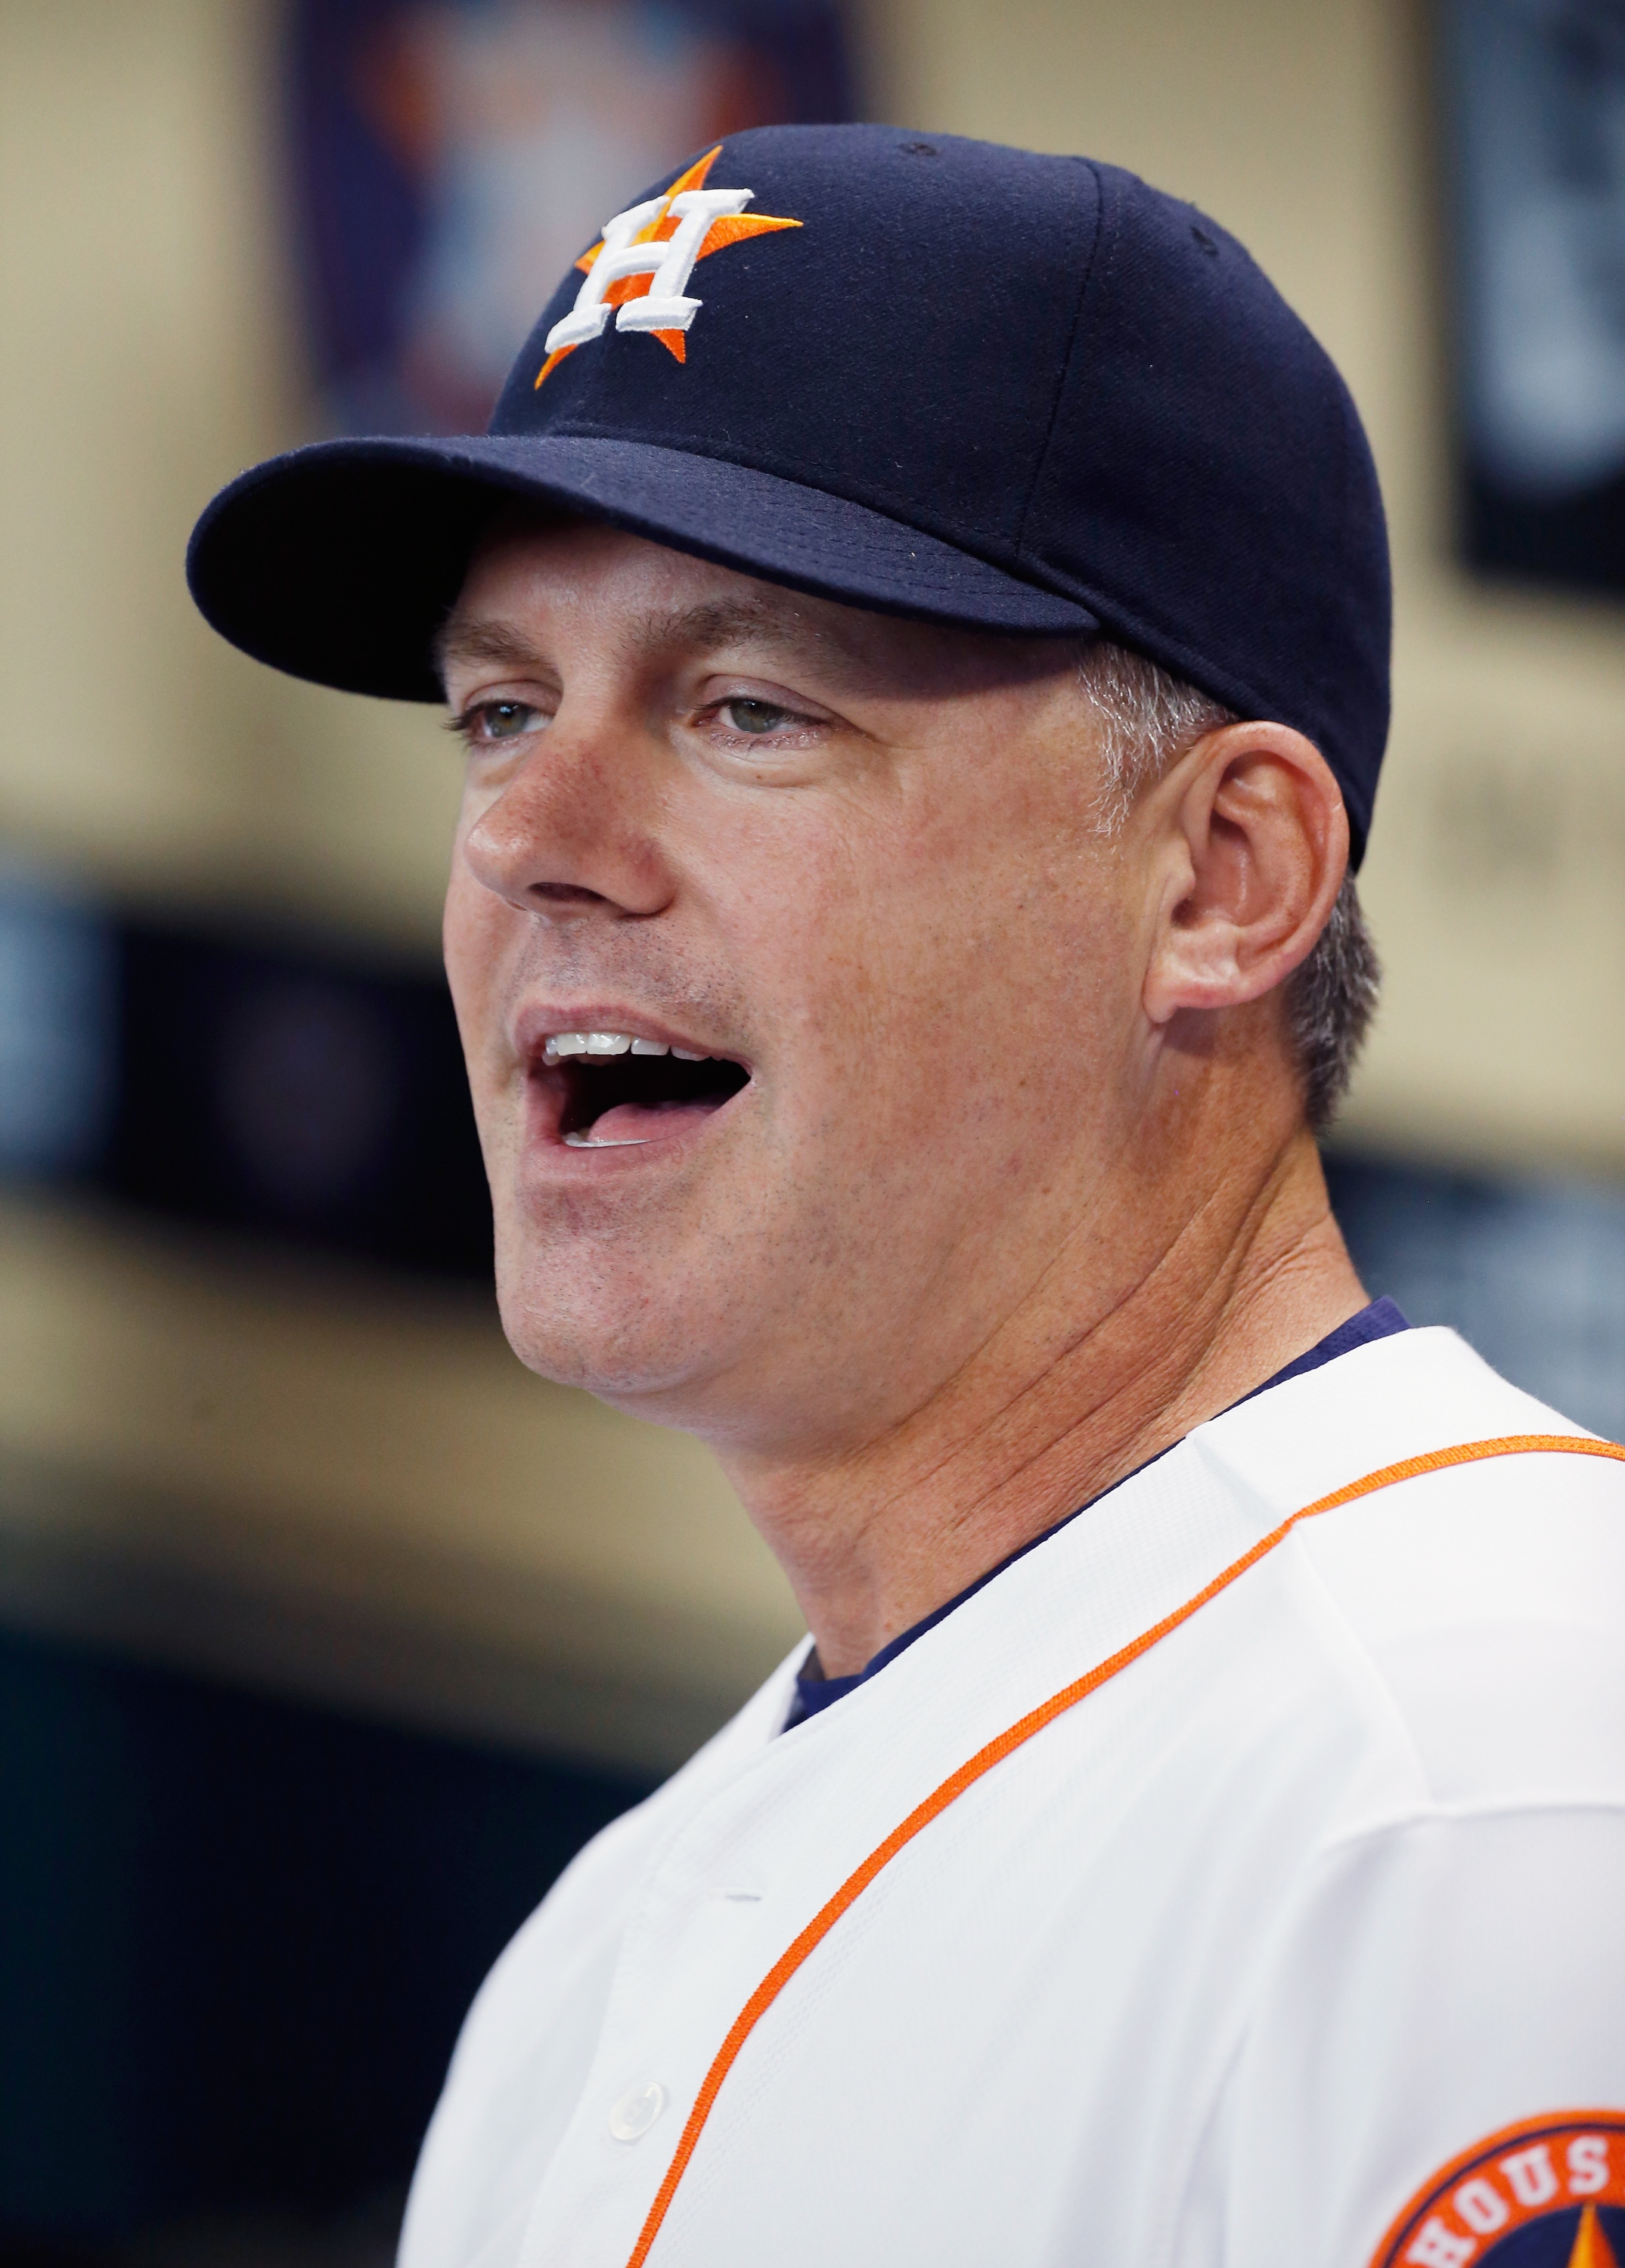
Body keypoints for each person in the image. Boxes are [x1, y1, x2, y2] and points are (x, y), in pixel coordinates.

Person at [189, 126, 1625, 2268]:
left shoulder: (1481, 1786)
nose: (531, 837)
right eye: (500, 710)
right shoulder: (589, 1974)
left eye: (746, 707)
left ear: (1222, 879)